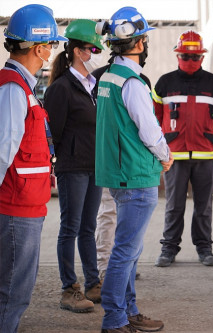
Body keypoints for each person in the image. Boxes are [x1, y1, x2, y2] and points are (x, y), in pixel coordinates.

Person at [94, 7, 173, 333]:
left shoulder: (109, 76)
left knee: (128, 250)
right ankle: (115, 318)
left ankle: (128, 311)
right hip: (137, 174)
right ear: (139, 43)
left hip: (118, 174)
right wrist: (166, 156)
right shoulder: (133, 82)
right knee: (125, 252)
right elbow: (149, 131)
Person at [0, 5, 67, 332]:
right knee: (12, 292)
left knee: (13, 289)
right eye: (51, 45)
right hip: (15, 208)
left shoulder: (20, 86)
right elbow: (2, 151)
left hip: (25, 204)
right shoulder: (14, 88)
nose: (52, 52)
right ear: (39, 48)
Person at [153, 30, 213, 268]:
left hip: (205, 155)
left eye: (195, 57)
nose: (190, 61)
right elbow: (156, 116)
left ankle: (204, 249)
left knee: (203, 206)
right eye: (186, 56)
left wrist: (207, 133)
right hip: (174, 155)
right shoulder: (165, 83)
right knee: (174, 205)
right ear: (178, 55)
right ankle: (169, 249)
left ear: (202, 58)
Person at [44, 19, 104, 314]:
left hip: (94, 166)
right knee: (70, 228)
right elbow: (51, 133)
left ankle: (93, 284)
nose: (95, 52)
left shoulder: (92, 86)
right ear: (79, 52)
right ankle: (70, 289)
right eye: (93, 47)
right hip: (72, 168)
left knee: (87, 227)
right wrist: (55, 165)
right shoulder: (61, 88)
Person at [93, 63, 152, 281]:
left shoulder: (140, 80)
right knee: (110, 214)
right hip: (115, 161)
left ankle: (121, 266)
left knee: (128, 220)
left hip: (125, 161)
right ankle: (107, 268)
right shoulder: (101, 77)